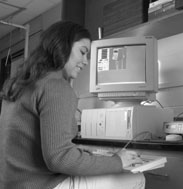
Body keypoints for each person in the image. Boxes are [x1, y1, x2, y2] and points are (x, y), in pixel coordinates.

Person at [0, 21, 144, 189]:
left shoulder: (18, 84)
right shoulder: (56, 86)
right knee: (137, 178)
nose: (86, 61)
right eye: (82, 52)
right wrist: (118, 161)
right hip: (40, 185)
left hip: (11, 183)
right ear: (62, 46)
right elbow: (59, 159)